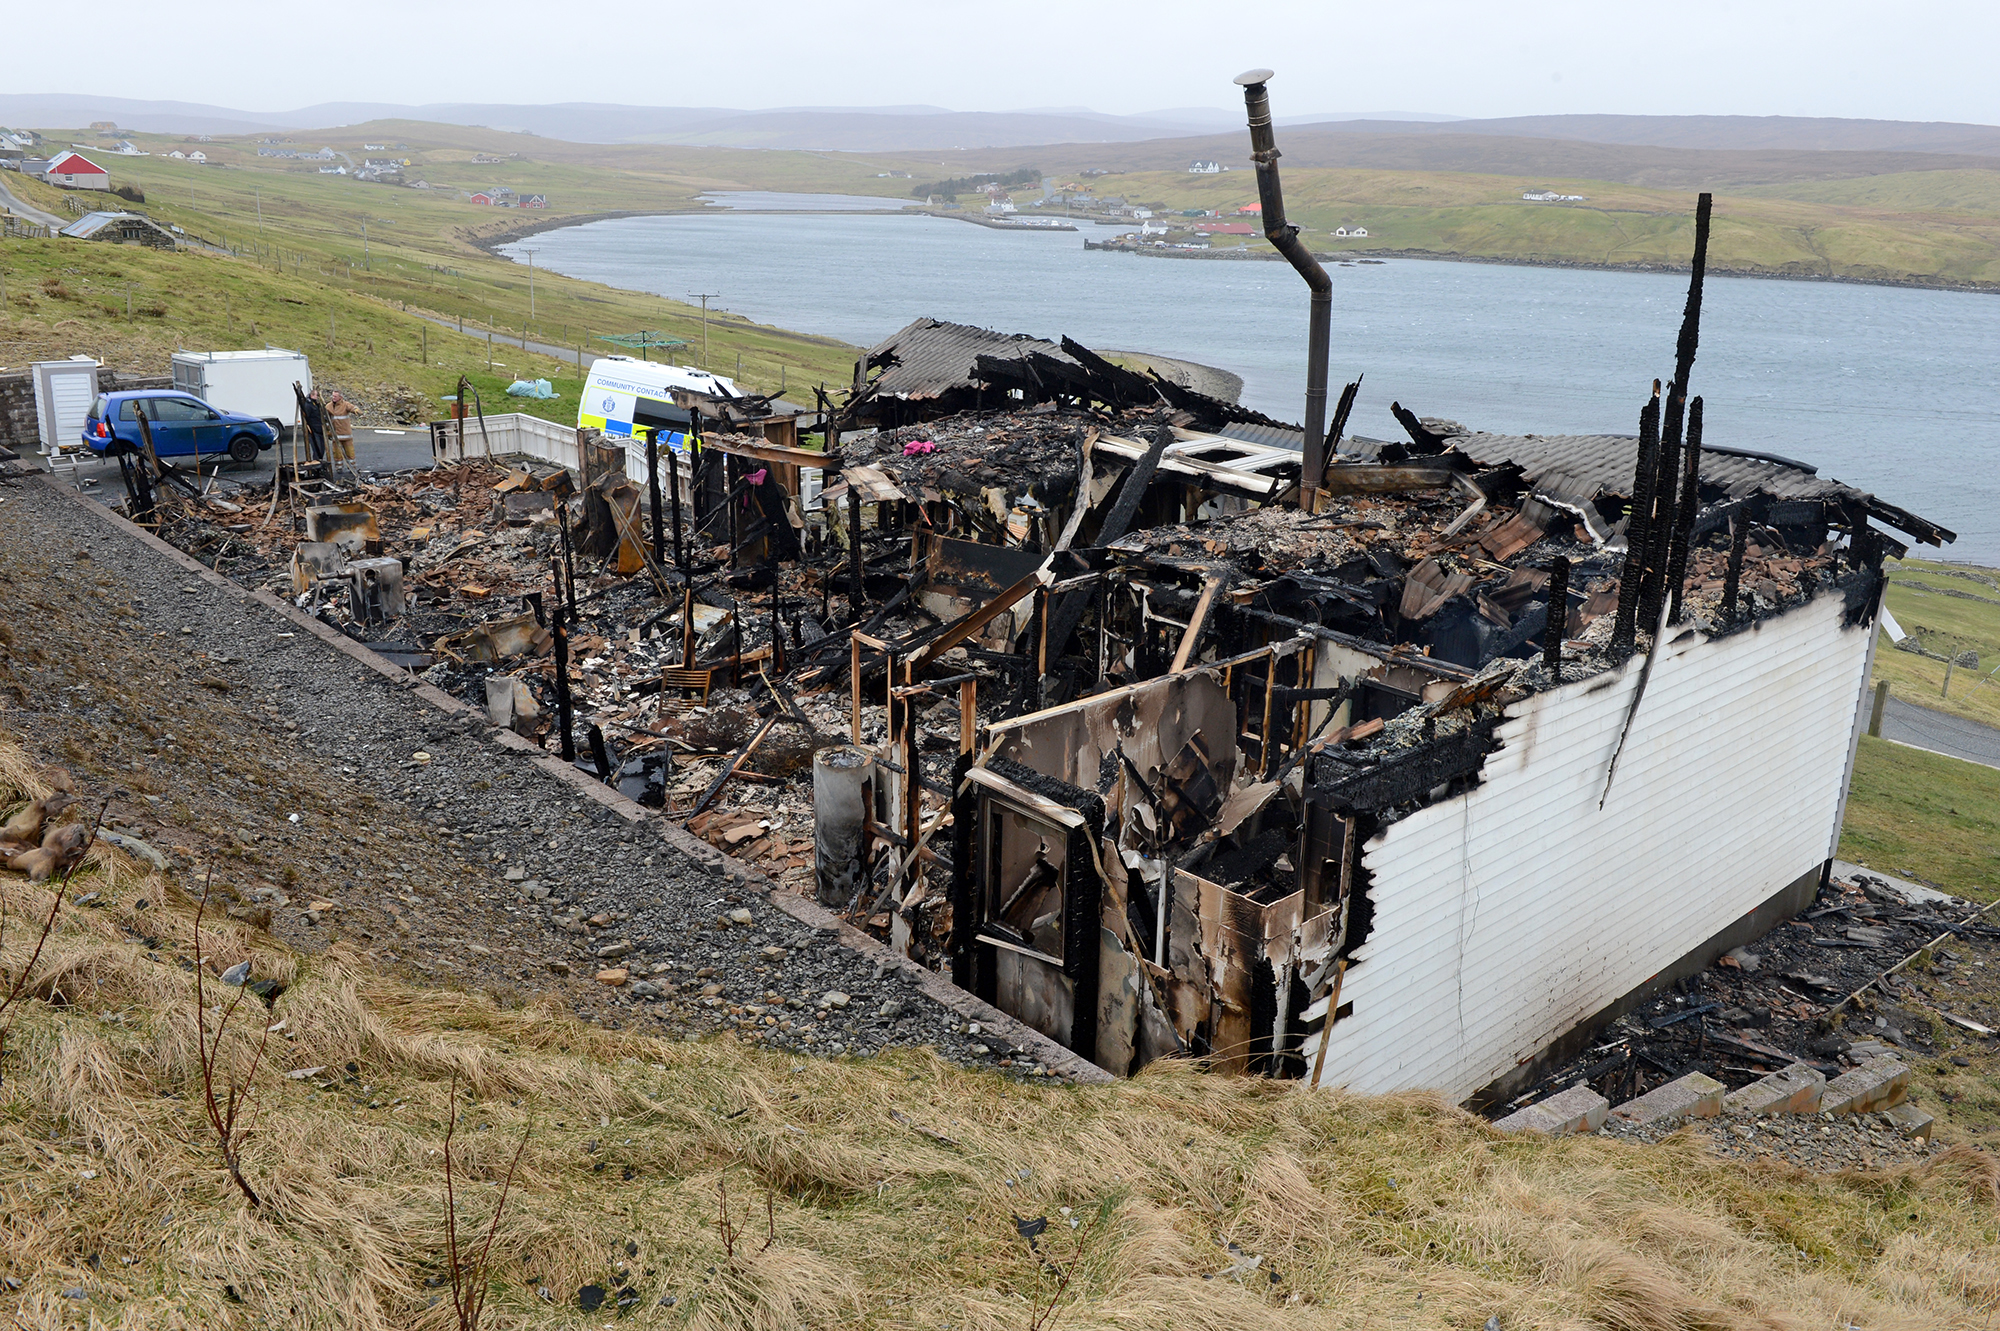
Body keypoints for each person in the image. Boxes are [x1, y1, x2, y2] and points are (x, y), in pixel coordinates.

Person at [326, 389, 356, 474]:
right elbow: (326, 421)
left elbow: (352, 408)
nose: (333, 397)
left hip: (346, 435)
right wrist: (328, 432)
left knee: (350, 452)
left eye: (335, 396)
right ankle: (338, 468)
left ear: (340, 397)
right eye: (333, 396)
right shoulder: (329, 407)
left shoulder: (345, 405)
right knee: (337, 454)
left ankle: (352, 467)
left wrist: (356, 410)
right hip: (336, 435)